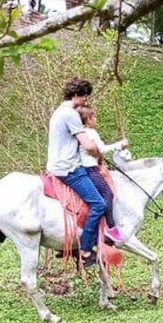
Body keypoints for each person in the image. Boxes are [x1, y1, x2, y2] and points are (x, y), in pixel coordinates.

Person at [47, 78, 121, 268]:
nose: (86, 100)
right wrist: (97, 154)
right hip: (69, 168)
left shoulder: (58, 112)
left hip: (56, 164)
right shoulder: (71, 114)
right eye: (85, 96)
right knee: (99, 203)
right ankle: (86, 250)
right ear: (76, 95)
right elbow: (87, 144)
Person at [77, 105, 128, 237]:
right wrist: (120, 144)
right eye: (94, 117)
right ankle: (110, 226)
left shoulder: (79, 132)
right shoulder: (91, 133)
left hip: (83, 168)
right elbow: (103, 149)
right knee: (108, 194)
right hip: (91, 170)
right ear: (88, 119)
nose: (96, 120)